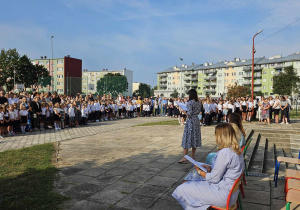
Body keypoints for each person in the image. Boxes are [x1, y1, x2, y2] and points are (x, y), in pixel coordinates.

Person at [172, 123, 244, 210]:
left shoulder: (225, 153)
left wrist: (200, 171)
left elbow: (214, 179)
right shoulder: (236, 150)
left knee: (182, 188)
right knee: (189, 184)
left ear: (221, 136)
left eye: (216, 135)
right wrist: (209, 168)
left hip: (223, 195)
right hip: (231, 193)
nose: (215, 137)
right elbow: (224, 170)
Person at [178, 89, 202, 163]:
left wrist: (184, 112)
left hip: (190, 121)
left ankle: (185, 158)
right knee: (195, 137)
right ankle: (192, 156)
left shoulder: (190, 102)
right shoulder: (199, 103)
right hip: (196, 121)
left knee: (187, 138)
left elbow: (189, 114)